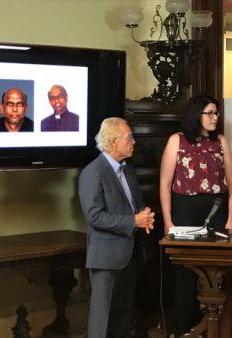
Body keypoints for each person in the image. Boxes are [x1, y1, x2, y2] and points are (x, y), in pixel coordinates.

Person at [159, 92, 232, 336]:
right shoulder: (177, 141)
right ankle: (184, 330)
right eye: (210, 113)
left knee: (214, 273)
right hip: (184, 210)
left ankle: (212, 330)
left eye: (217, 113)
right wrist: (168, 221)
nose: (215, 118)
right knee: (185, 274)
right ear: (197, 115)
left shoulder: (221, 142)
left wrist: (230, 219)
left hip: (216, 210)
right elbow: (165, 185)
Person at [78, 117, 155, 338]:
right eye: (129, 138)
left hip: (129, 254)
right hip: (106, 257)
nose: (134, 142)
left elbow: (136, 204)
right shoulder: (93, 172)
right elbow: (94, 216)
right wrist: (133, 222)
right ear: (112, 142)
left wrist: (145, 217)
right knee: (102, 320)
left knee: (122, 317)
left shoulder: (128, 170)